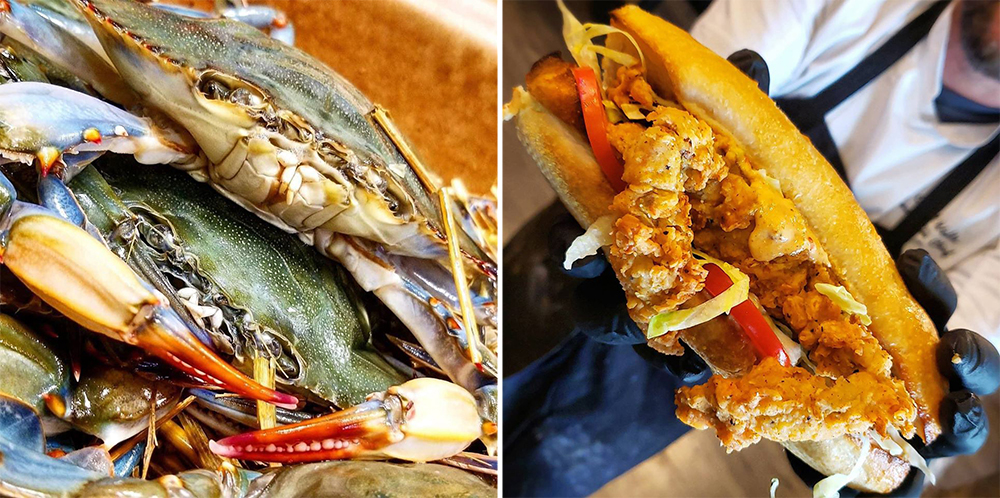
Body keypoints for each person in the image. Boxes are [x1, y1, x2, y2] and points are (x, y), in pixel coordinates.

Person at [503, 1, 999, 496]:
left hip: (703, 376)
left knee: (543, 473)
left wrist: (850, 430)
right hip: (588, 259)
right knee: (476, 341)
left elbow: (957, 364)